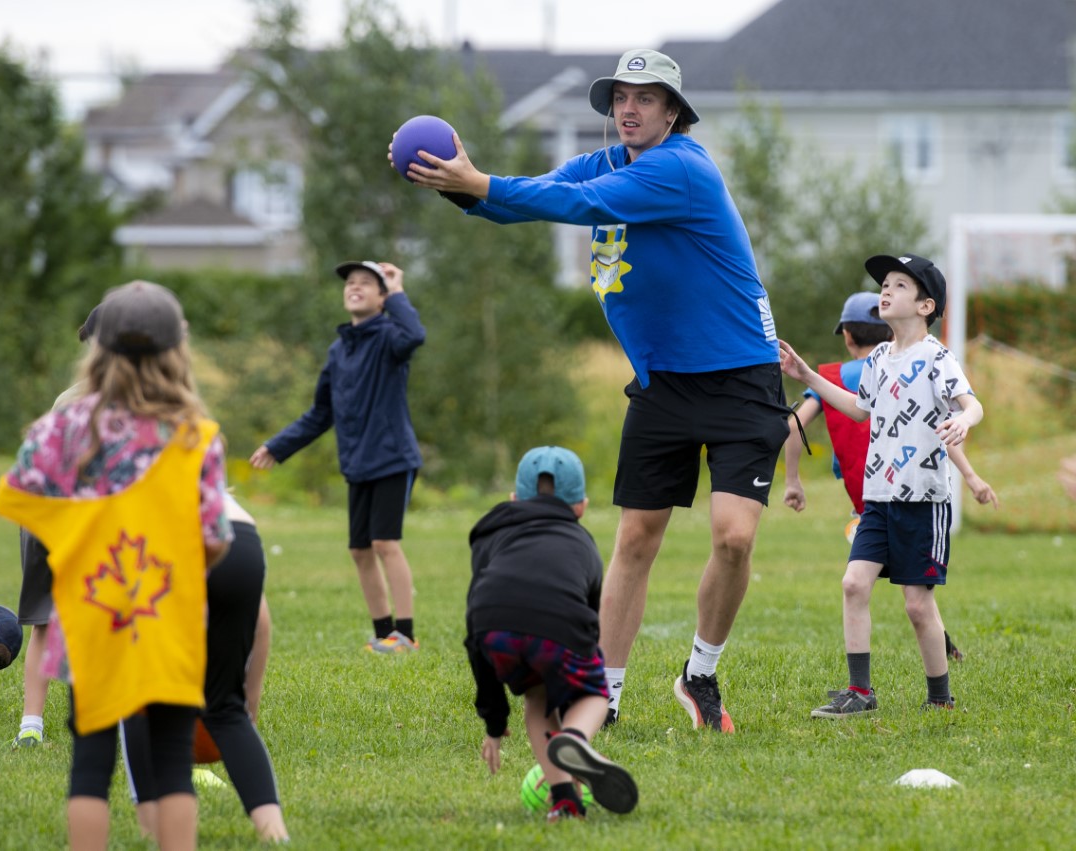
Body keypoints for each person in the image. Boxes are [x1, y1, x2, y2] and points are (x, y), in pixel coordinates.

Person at [399, 49, 790, 731]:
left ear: (673, 111)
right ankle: (603, 695)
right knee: (635, 537)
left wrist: (480, 180)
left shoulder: (680, 169)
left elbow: (575, 203)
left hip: (738, 377)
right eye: (619, 98)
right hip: (663, 383)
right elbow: (538, 196)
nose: (629, 108)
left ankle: (700, 673)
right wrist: (458, 185)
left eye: (645, 97)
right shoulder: (604, 165)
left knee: (732, 538)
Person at [0, 280, 230, 851]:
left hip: (89, 621)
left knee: (91, 768)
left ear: (97, 350)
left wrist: (78, 541)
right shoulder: (196, 434)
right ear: (177, 351)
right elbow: (215, 539)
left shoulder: (63, 427)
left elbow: (18, 501)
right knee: (173, 766)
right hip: (168, 621)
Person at [779, 253, 984, 717]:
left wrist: (964, 421)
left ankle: (939, 697)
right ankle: (861, 693)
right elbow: (858, 409)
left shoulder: (936, 357)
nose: (885, 291)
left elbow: (972, 405)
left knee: (916, 605)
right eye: (884, 284)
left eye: (899, 285)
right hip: (878, 498)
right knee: (854, 583)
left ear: (926, 306)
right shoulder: (877, 358)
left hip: (922, 500)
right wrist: (807, 375)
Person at [250, 260, 425, 654]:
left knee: (384, 543)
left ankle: (406, 635)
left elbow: (415, 334)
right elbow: (320, 413)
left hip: (393, 457)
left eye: (367, 283)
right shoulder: (338, 350)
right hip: (357, 462)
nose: (355, 287)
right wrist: (278, 446)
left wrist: (398, 288)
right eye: (350, 283)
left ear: (382, 298)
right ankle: (383, 634)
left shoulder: (391, 338)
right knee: (359, 549)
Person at [467, 446, 638, 822]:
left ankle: (565, 803)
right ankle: (575, 740)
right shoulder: (583, 546)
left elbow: (477, 612)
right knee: (594, 693)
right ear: (581, 506)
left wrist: (494, 725)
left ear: (514, 499)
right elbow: (587, 626)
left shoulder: (490, 534)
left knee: (537, 698)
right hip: (558, 628)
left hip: (492, 629)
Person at [124, 492, 288, 843]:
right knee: (226, 711)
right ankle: (276, 835)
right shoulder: (201, 447)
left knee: (139, 702)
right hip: (240, 538)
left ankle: (153, 833)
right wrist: (247, 707)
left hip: (166, 535)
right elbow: (261, 619)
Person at [13, 305, 102, 749]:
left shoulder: (69, 396)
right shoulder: (122, 399)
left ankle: (32, 724)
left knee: (44, 624)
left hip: (40, 519)